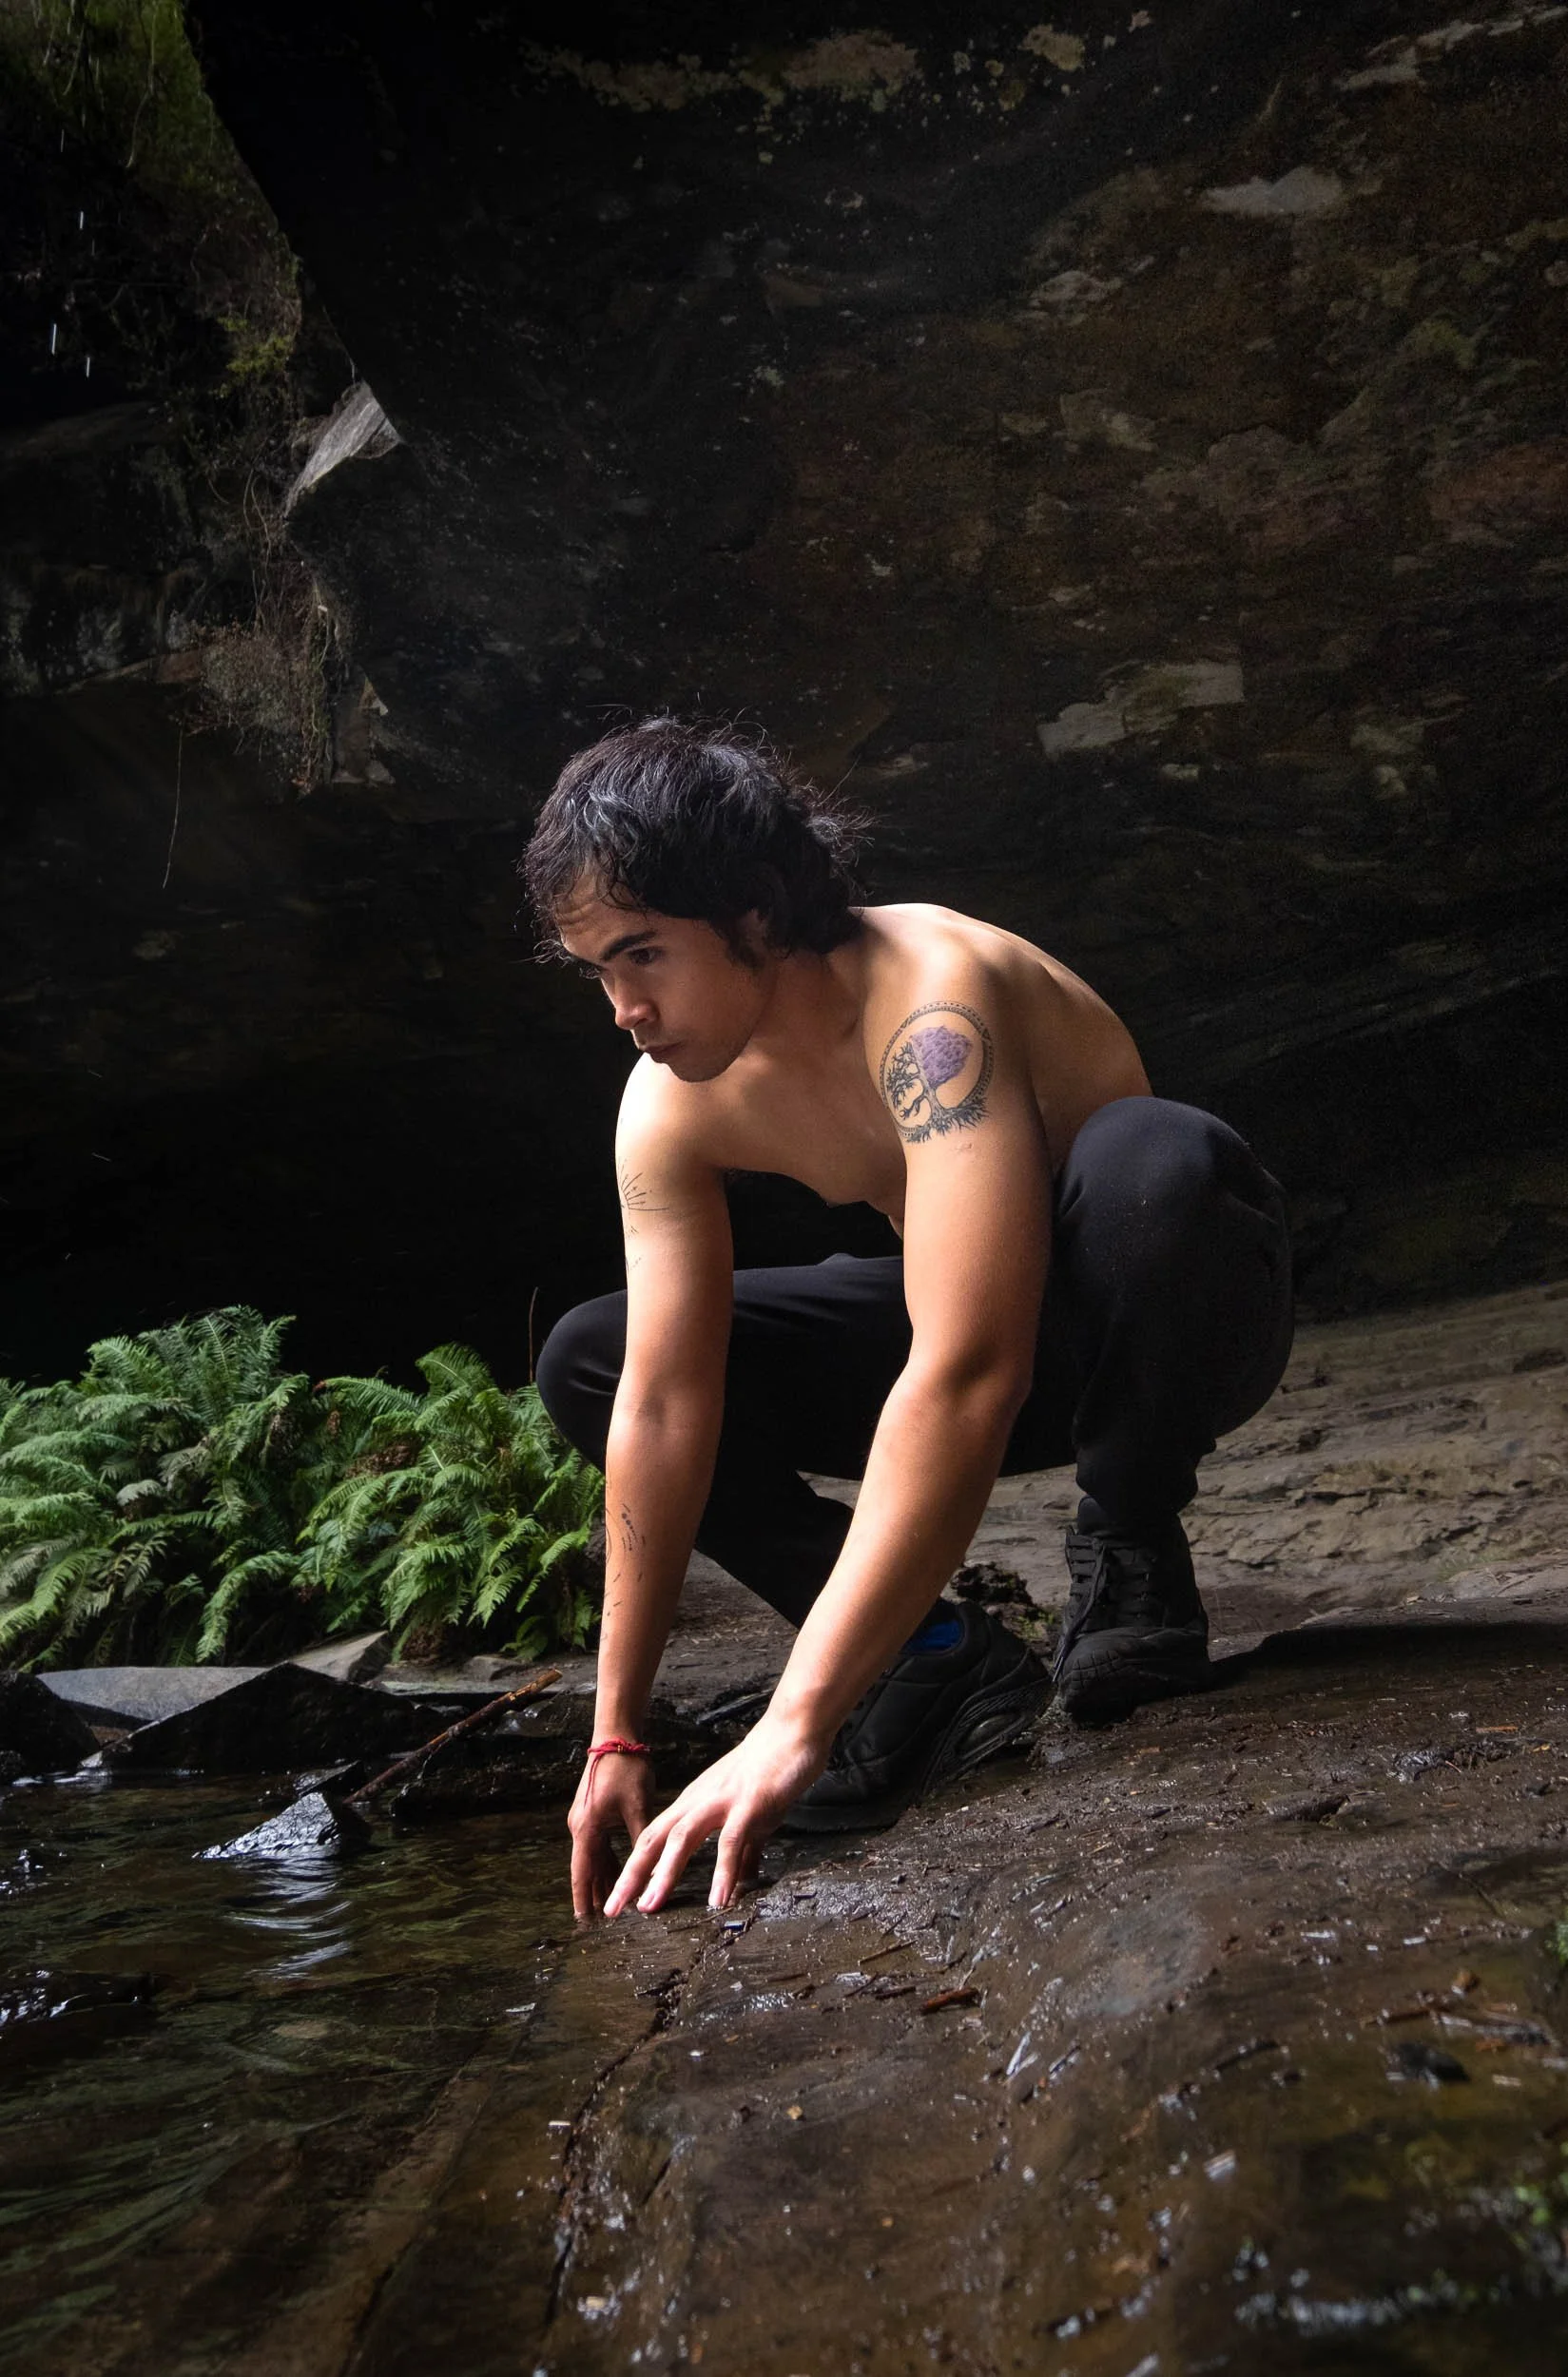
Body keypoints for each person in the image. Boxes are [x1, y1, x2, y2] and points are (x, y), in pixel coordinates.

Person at [524, 720, 1293, 1922]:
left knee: (1159, 1156)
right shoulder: (665, 1102)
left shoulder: (930, 1000)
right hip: (978, 1323)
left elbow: (967, 1370)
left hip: (1156, 1324)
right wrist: (614, 1733)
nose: (623, 1007)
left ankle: (1131, 1546)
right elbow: (666, 1405)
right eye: (596, 971)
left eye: (642, 956)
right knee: (596, 1354)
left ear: (756, 910)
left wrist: (792, 1721)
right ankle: (927, 1659)